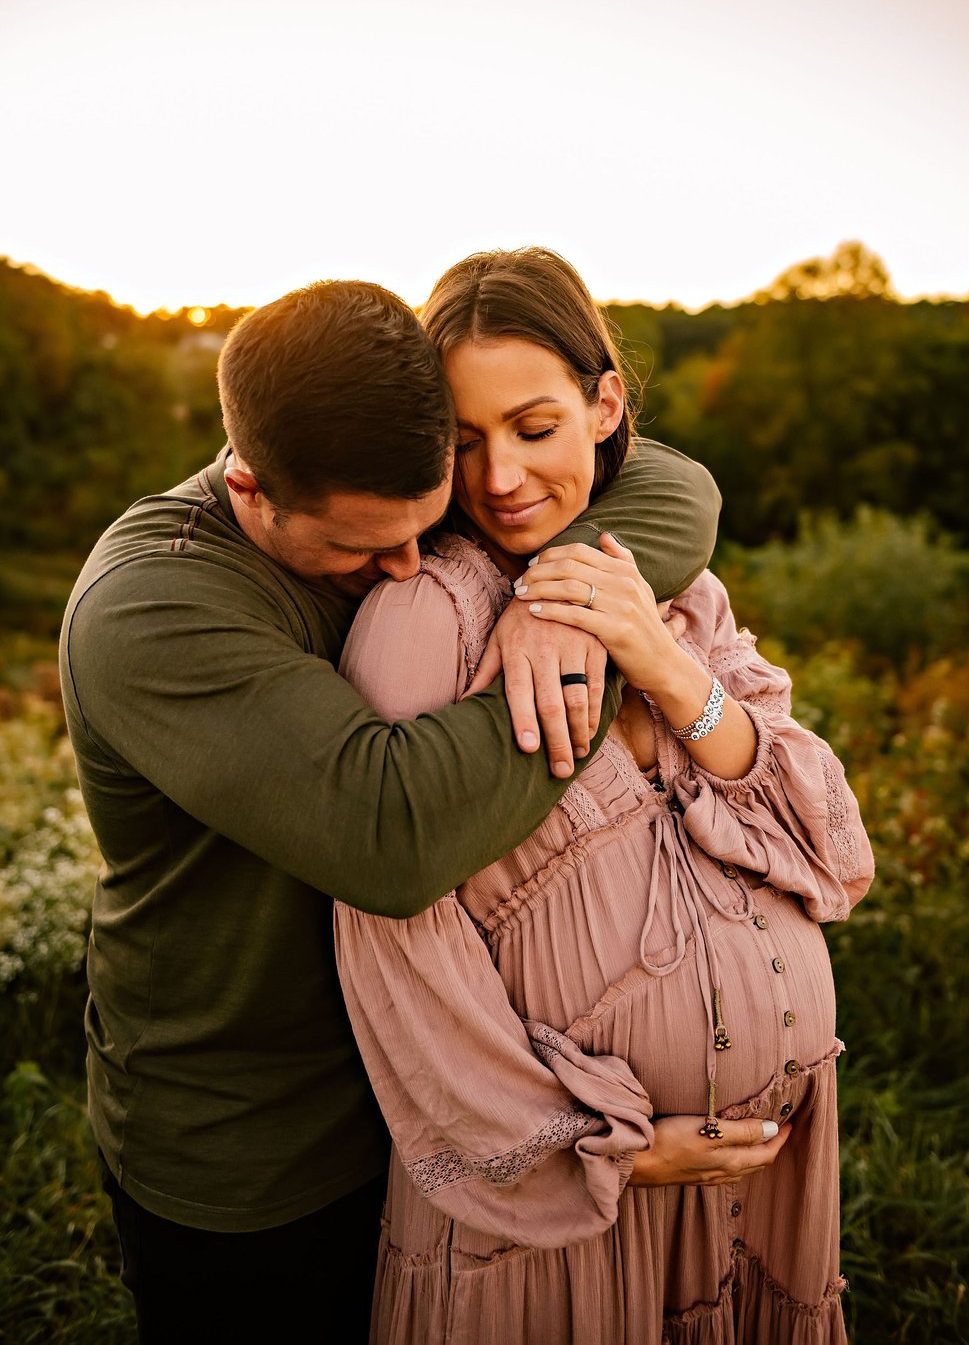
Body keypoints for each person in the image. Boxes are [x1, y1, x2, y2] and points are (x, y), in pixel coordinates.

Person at [58, 278, 721, 1344]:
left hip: (441, 1097)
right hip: (259, 1144)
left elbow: (669, 478)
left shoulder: (388, 480)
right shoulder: (154, 612)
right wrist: (604, 654)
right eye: (366, 553)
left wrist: (557, 584)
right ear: (249, 487)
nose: (408, 566)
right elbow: (393, 834)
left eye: (427, 526)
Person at [334, 249, 874, 1345]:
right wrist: (598, 1149)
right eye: (462, 441)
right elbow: (397, 940)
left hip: (751, 1204)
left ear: (605, 403)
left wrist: (668, 668)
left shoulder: (679, 589)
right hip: (557, 1223)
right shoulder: (422, 621)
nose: (498, 479)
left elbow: (829, 851)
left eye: (534, 428)